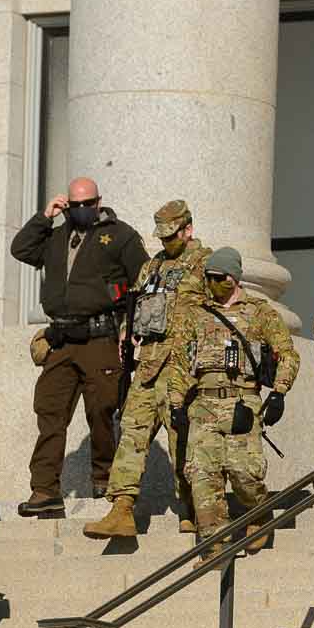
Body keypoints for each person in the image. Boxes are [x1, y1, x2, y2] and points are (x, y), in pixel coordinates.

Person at [9, 176, 148, 518]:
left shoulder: (120, 235)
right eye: (75, 205)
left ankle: (104, 476)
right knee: (50, 412)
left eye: (88, 204)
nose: (82, 210)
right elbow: (21, 249)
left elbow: (144, 281)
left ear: (99, 202)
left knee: (101, 409)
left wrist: (132, 331)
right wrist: (45, 217)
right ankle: (44, 489)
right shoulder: (56, 237)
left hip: (100, 338)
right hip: (61, 340)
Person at [83, 199, 212, 541]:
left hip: (183, 368)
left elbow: (221, 314)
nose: (165, 243)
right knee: (132, 434)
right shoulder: (151, 267)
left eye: (171, 236)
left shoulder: (206, 264)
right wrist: (128, 337)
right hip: (149, 364)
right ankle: (121, 509)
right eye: (162, 237)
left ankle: (193, 508)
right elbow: (138, 307)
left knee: (181, 441)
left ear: (188, 230)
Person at [165, 247, 300, 564]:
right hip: (204, 404)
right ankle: (215, 548)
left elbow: (288, 354)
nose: (212, 283)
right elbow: (180, 363)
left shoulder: (260, 312)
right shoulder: (196, 315)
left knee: (243, 473)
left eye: (218, 277)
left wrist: (279, 393)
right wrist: (175, 403)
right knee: (202, 476)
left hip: (242, 403)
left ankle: (259, 511)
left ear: (233, 277)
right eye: (208, 278)